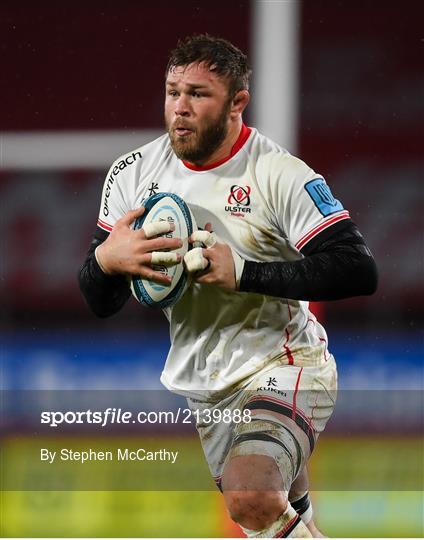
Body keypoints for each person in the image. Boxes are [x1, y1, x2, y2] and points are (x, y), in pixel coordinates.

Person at [79, 34, 377, 538]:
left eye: (198, 94)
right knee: (271, 517)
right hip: (207, 382)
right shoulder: (132, 173)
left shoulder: (277, 172)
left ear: (238, 102)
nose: (180, 108)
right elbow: (100, 302)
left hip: (284, 363)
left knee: (250, 494)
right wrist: (107, 262)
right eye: (173, 91)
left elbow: (358, 269)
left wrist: (244, 273)